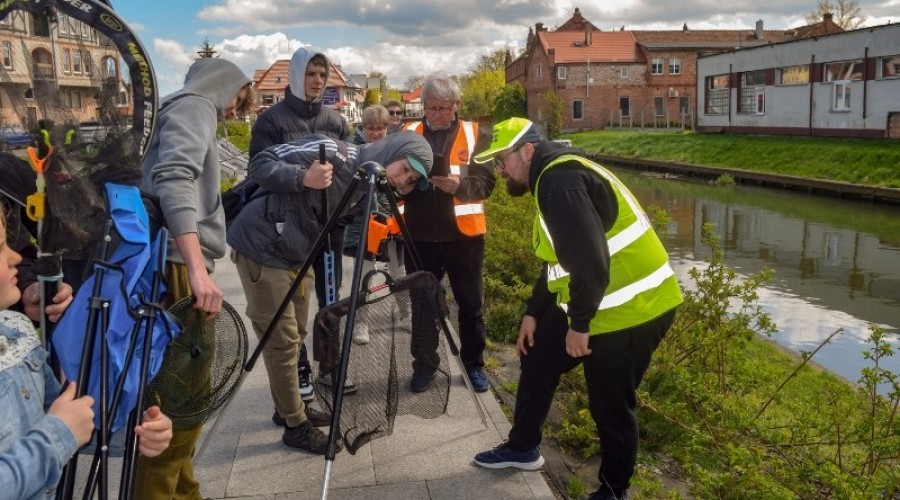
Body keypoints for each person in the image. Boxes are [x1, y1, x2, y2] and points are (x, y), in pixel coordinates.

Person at [470, 118, 684, 500]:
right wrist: (534, 312)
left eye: (503, 160)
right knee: (537, 355)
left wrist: (579, 326)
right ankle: (522, 447)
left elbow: (590, 263)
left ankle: (613, 491)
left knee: (611, 404)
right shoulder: (551, 177)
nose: (500, 170)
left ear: (528, 151)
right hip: (599, 298)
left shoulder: (559, 182)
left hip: (634, 307)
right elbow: (560, 259)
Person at [227, 131, 432, 453]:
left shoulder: (367, 187)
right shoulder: (333, 153)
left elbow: (335, 223)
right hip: (262, 247)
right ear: (393, 150)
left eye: (410, 178)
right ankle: (295, 425)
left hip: (298, 252)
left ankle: (289, 407)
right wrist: (302, 176)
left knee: (295, 336)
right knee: (280, 341)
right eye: (405, 168)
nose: (402, 179)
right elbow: (259, 164)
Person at [0, 205, 173, 500]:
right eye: (1, 248)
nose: (17, 256)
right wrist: (57, 437)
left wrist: (135, 429)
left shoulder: (16, 327)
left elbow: (67, 418)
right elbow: (58, 432)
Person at [137, 57, 252, 500]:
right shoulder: (197, 107)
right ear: (229, 87)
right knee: (179, 407)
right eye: (239, 101)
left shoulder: (172, 106)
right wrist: (197, 271)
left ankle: (185, 494)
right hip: (178, 269)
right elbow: (175, 180)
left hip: (168, 263)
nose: (234, 112)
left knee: (175, 402)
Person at [249, 47, 351, 404]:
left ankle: (332, 366)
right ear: (296, 76)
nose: (318, 82)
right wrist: (300, 177)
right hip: (291, 227)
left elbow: (349, 165)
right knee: (294, 304)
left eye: (322, 75)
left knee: (331, 297)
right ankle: (300, 368)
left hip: (330, 225)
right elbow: (259, 170)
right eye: (311, 74)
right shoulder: (271, 121)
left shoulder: (336, 121)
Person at [401, 73, 495, 393]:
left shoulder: (476, 135)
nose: (438, 115)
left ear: (457, 105)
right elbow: (392, 183)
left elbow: (487, 183)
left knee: (470, 305)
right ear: (423, 105)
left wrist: (460, 186)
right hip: (420, 235)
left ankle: (474, 365)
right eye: (431, 108)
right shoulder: (407, 133)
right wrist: (405, 182)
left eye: (444, 108)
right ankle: (425, 365)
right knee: (423, 305)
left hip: (464, 237)